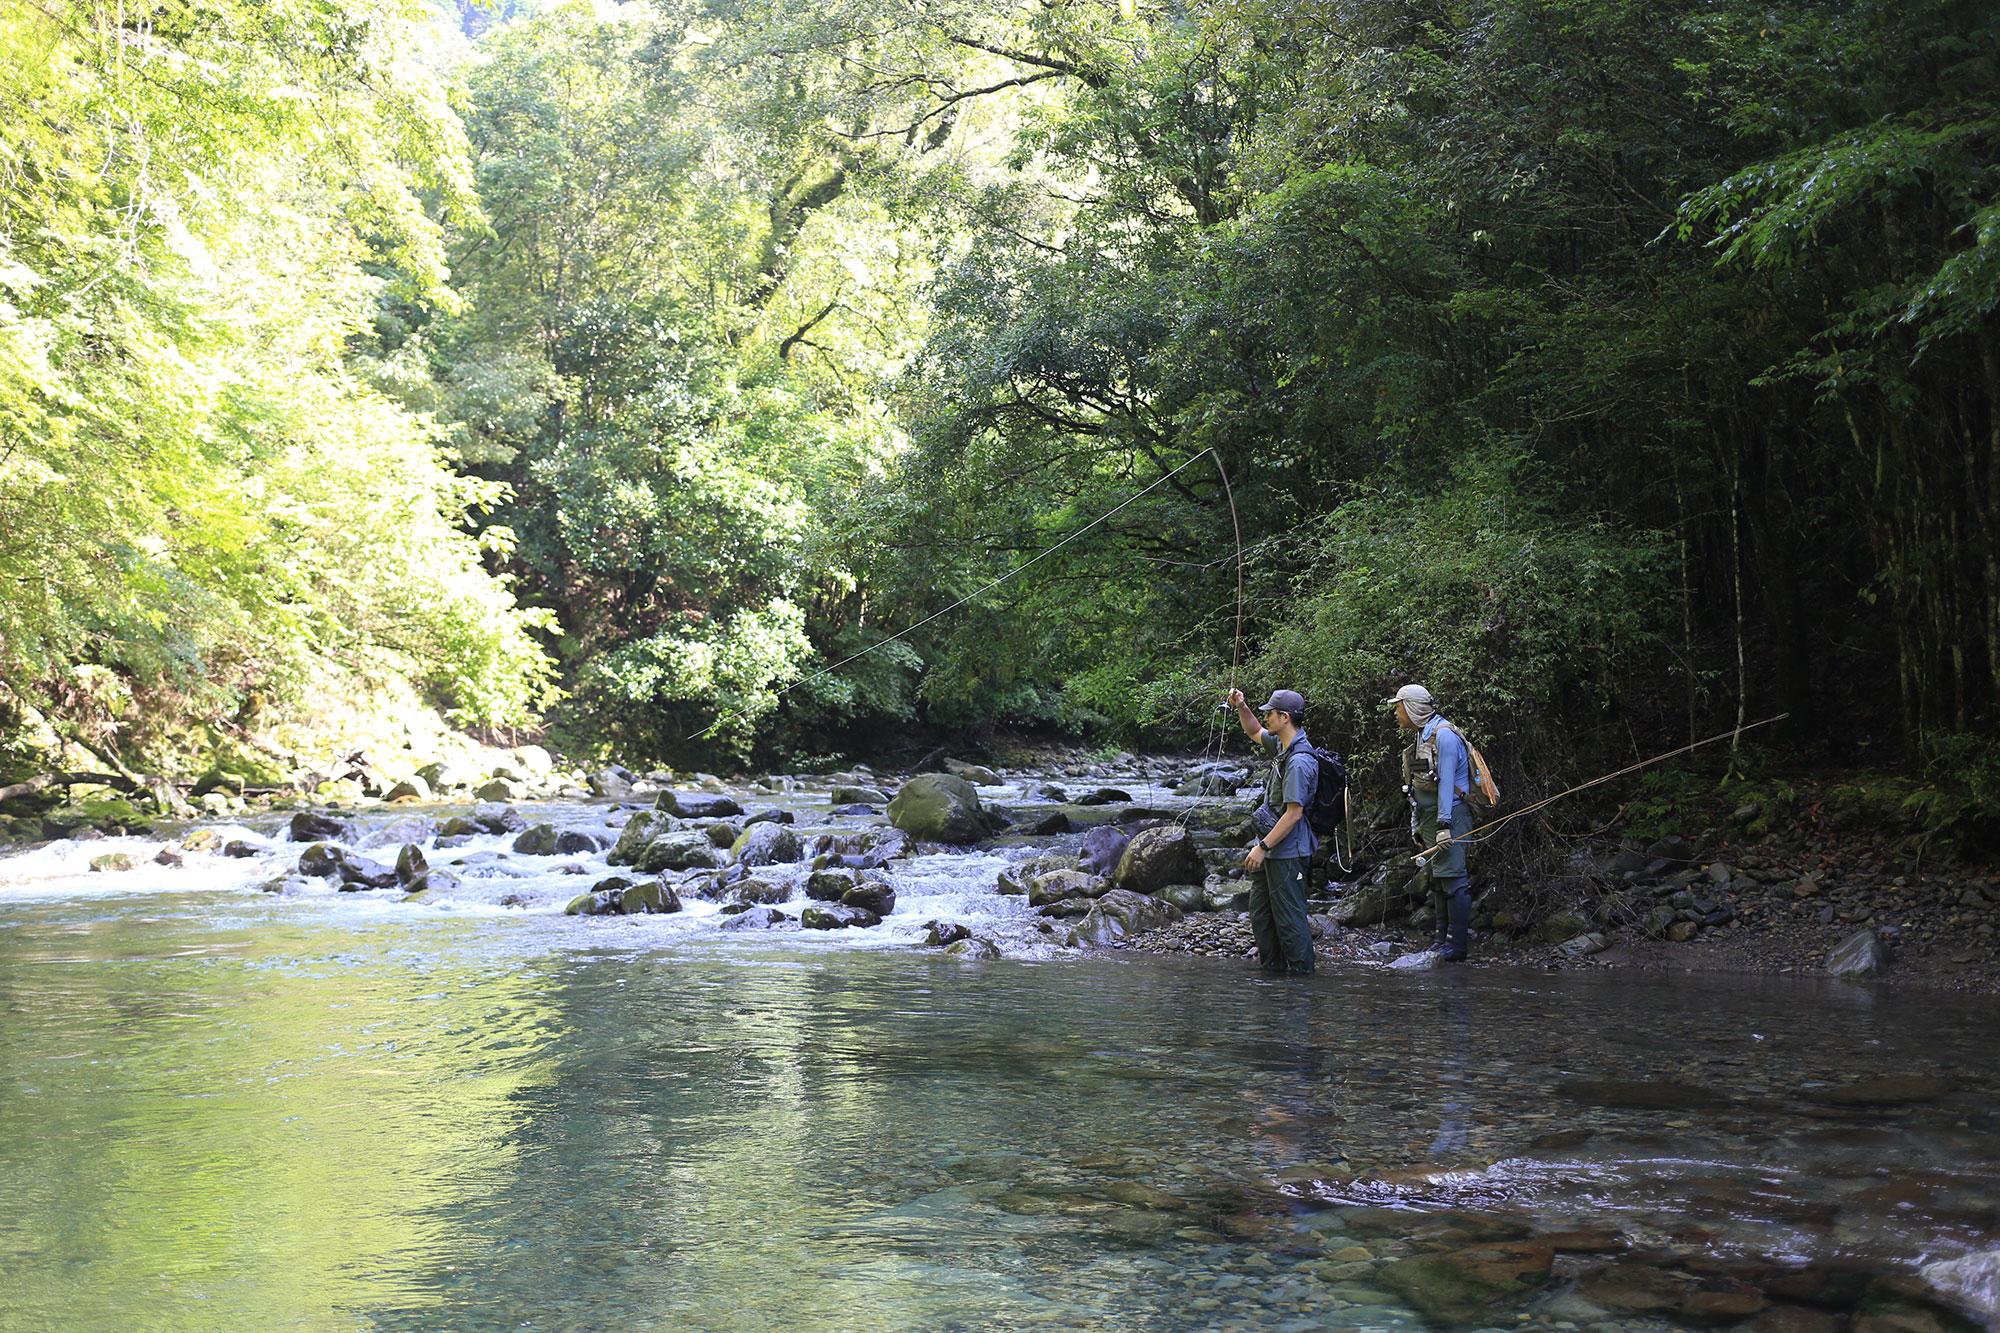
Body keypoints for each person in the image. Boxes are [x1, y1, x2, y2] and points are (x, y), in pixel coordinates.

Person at [1227, 686, 1319, 975]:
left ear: (1285, 717)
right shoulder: (1281, 744)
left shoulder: (1300, 761)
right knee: (1262, 915)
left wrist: (1262, 847)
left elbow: (1294, 814)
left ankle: (1302, 983)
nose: (1266, 717)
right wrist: (1241, 706)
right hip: (1273, 852)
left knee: (1290, 921)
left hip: (1288, 854)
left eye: (1271, 713)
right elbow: (1254, 731)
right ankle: (1273, 979)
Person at [1391, 683, 1472, 961]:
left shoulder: (1445, 736)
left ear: (1412, 708)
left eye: (1398, 707)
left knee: (1454, 881)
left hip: (1451, 819)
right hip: (1429, 819)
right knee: (1438, 881)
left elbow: (1447, 783)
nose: (1396, 713)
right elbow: (1418, 784)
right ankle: (1440, 941)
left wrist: (1443, 826)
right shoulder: (1420, 736)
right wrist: (1417, 822)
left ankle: (1456, 946)